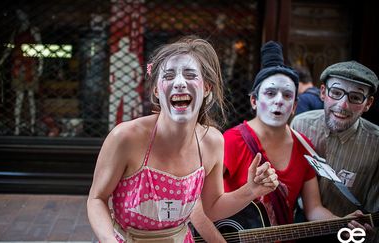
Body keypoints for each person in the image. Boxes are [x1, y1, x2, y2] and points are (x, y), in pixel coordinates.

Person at [87, 36, 279, 242]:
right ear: (156, 90)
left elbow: (212, 207)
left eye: (190, 75)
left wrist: (250, 191)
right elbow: (97, 199)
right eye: (168, 76)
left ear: (206, 88)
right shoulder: (125, 137)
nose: (179, 83)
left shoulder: (212, 141)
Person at [191, 41, 366, 242]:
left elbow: (313, 209)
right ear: (254, 101)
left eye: (287, 95)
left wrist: (342, 223)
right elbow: (195, 203)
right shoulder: (230, 141)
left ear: (294, 106)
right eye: (270, 93)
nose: (279, 100)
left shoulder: (305, 147)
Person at [291, 60, 378, 241]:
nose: (342, 105)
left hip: (349, 234)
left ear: (368, 103)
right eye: (336, 93)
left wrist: (371, 234)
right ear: (323, 92)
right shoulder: (300, 125)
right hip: (299, 228)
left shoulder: (376, 144)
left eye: (355, 97)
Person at [0, 9, 43, 135]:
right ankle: (17, 127)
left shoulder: (33, 30)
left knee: (30, 97)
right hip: (18, 66)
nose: (20, 17)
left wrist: (40, 65)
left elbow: (40, 47)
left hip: (30, 66)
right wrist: (1, 61)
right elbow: (9, 47)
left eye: (22, 14)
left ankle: (32, 126)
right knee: (19, 97)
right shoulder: (16, 31)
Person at [108, 36, 143, 131]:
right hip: (119, 84)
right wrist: (112, 84)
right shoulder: (115, 57)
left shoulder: (132, 57)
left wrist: (135, 84)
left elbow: (139, 72)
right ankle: (111, 130)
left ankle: (123, 130)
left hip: (127, 85)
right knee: (113, 108)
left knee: (126, 109)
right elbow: (111, 73)